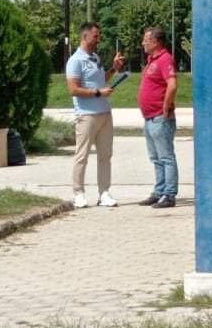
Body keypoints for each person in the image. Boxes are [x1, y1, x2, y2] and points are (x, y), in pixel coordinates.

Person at [66, 22, 125, 208]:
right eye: (95, 36)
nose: (98, 39)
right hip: (86, 115)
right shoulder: (76, 61)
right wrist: (98, 93)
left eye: (99, 36)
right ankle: (78, 193)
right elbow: (73, 89)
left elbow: (100, 80)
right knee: (81, 155)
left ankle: (104, 192)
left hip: (104, 113)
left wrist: (114, 69)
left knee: (105, 156)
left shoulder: (95, 58)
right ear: (84, 37)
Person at [136, 27, 179, 208]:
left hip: (160, 118)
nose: (143, 43)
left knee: (166, 157)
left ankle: (169, 194)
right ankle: (159, 191)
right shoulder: (151, 60)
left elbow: (172, 84)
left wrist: (166, 105)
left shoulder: (165, 59)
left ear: (155, 42)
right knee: (156, 158)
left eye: (146, 40)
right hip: (149, 118)